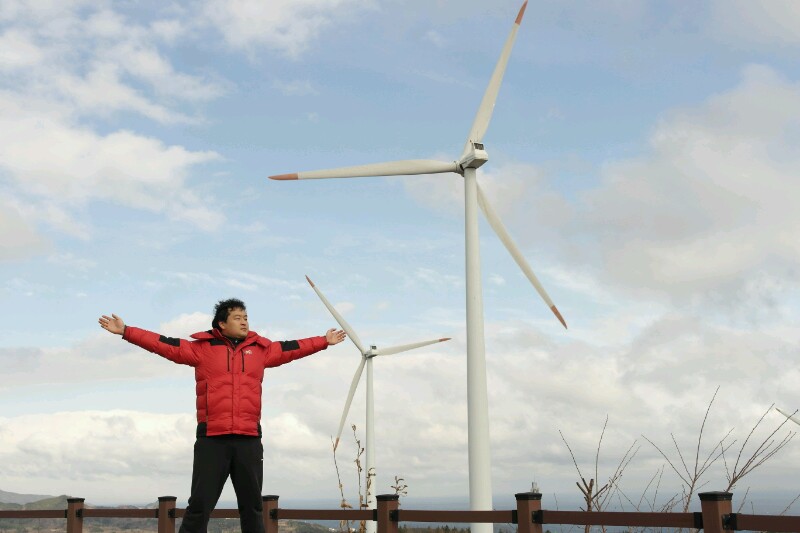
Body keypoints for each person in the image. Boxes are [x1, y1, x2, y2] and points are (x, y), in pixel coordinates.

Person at [98, 298, 346, 533]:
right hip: (212, 439)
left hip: (249, 439)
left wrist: (324, 341)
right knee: (200, 505)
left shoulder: (262, 350)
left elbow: (294, 347)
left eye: (246, 317)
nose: (244, 322)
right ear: (221, 324)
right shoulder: (201, 349)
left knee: (252, 507)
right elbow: (163, 343)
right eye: (237, 317)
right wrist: (126, 331)